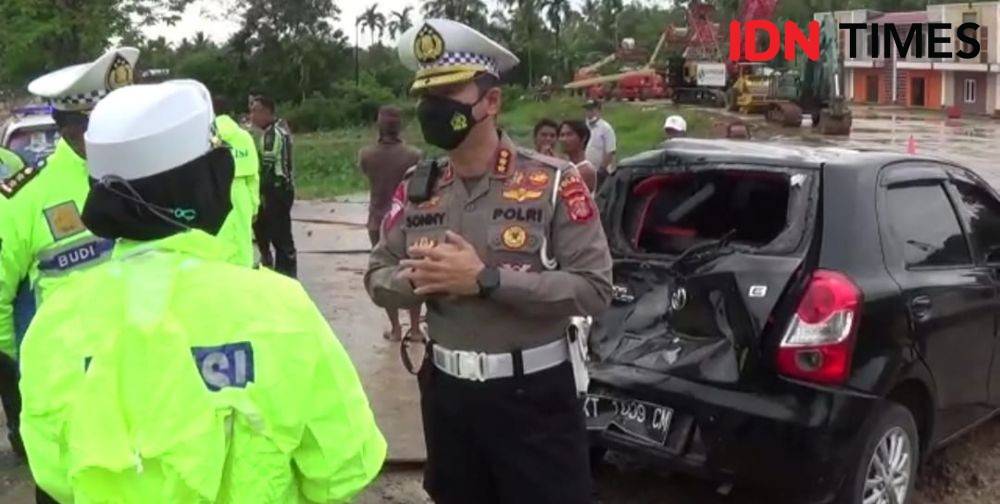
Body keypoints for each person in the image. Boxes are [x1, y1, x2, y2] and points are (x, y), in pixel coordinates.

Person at [18, 79, 387, 503]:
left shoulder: (57, 320)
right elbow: (342, 468)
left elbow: (55, 474)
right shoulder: (279, 310)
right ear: (199, 182)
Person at [367, 19, 613, 503]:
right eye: (426, 95)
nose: (432, 109)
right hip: (448, 399)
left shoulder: (554, 184)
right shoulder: (419, 187)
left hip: (534, 400)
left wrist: (486, 280)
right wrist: (423, 278)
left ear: (491, 102)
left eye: (449, 94)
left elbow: (594, 289)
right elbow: (377, 275)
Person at [0, 47, 140, 464]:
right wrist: (23, 376)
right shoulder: (27, 197)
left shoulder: (146, 176)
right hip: (70, 396)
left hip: (146, 381)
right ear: (72, 128)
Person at [358, 105, 424, 342]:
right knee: (414, 273)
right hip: (409, 222)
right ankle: (415, 328)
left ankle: (395, 328)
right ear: (401, 126)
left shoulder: (367, 155)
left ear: (379, 125)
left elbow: (367, 173)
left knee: (386, 275)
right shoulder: (414, 155)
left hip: (378, 221)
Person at [249, 95, 297, 277]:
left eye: (255, 111)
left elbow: (267, 168)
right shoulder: (278, 131)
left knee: (280, 233)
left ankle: (287, 273)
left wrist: (258, 189)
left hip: (277, 189)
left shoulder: (272, 135)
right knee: (262, 225)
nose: (251, 116)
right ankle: (270, 262)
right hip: (279, 189)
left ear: (266, 112)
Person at [214, 96, 261, 267]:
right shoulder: (244, 137)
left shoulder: (207, 138)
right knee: (243, 236)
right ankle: (244, 272)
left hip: (216, 193)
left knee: (218, 237)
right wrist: (254, 205)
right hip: (242, 193)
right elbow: (254, 175)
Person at [583, 99, 617, 190]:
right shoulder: (583, 127)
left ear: (598, 110)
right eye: (587, 110)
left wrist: (601, 171)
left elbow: (610, 152)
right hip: (585, 172)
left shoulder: (606, 128)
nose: (589, 113)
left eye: (592, 110)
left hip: (600, 173)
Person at [559, 120, 598, 193]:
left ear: (583, 138)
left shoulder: (586, 170)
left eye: (569, 135)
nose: (564, 139)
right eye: (562, 135)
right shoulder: (566, 166)